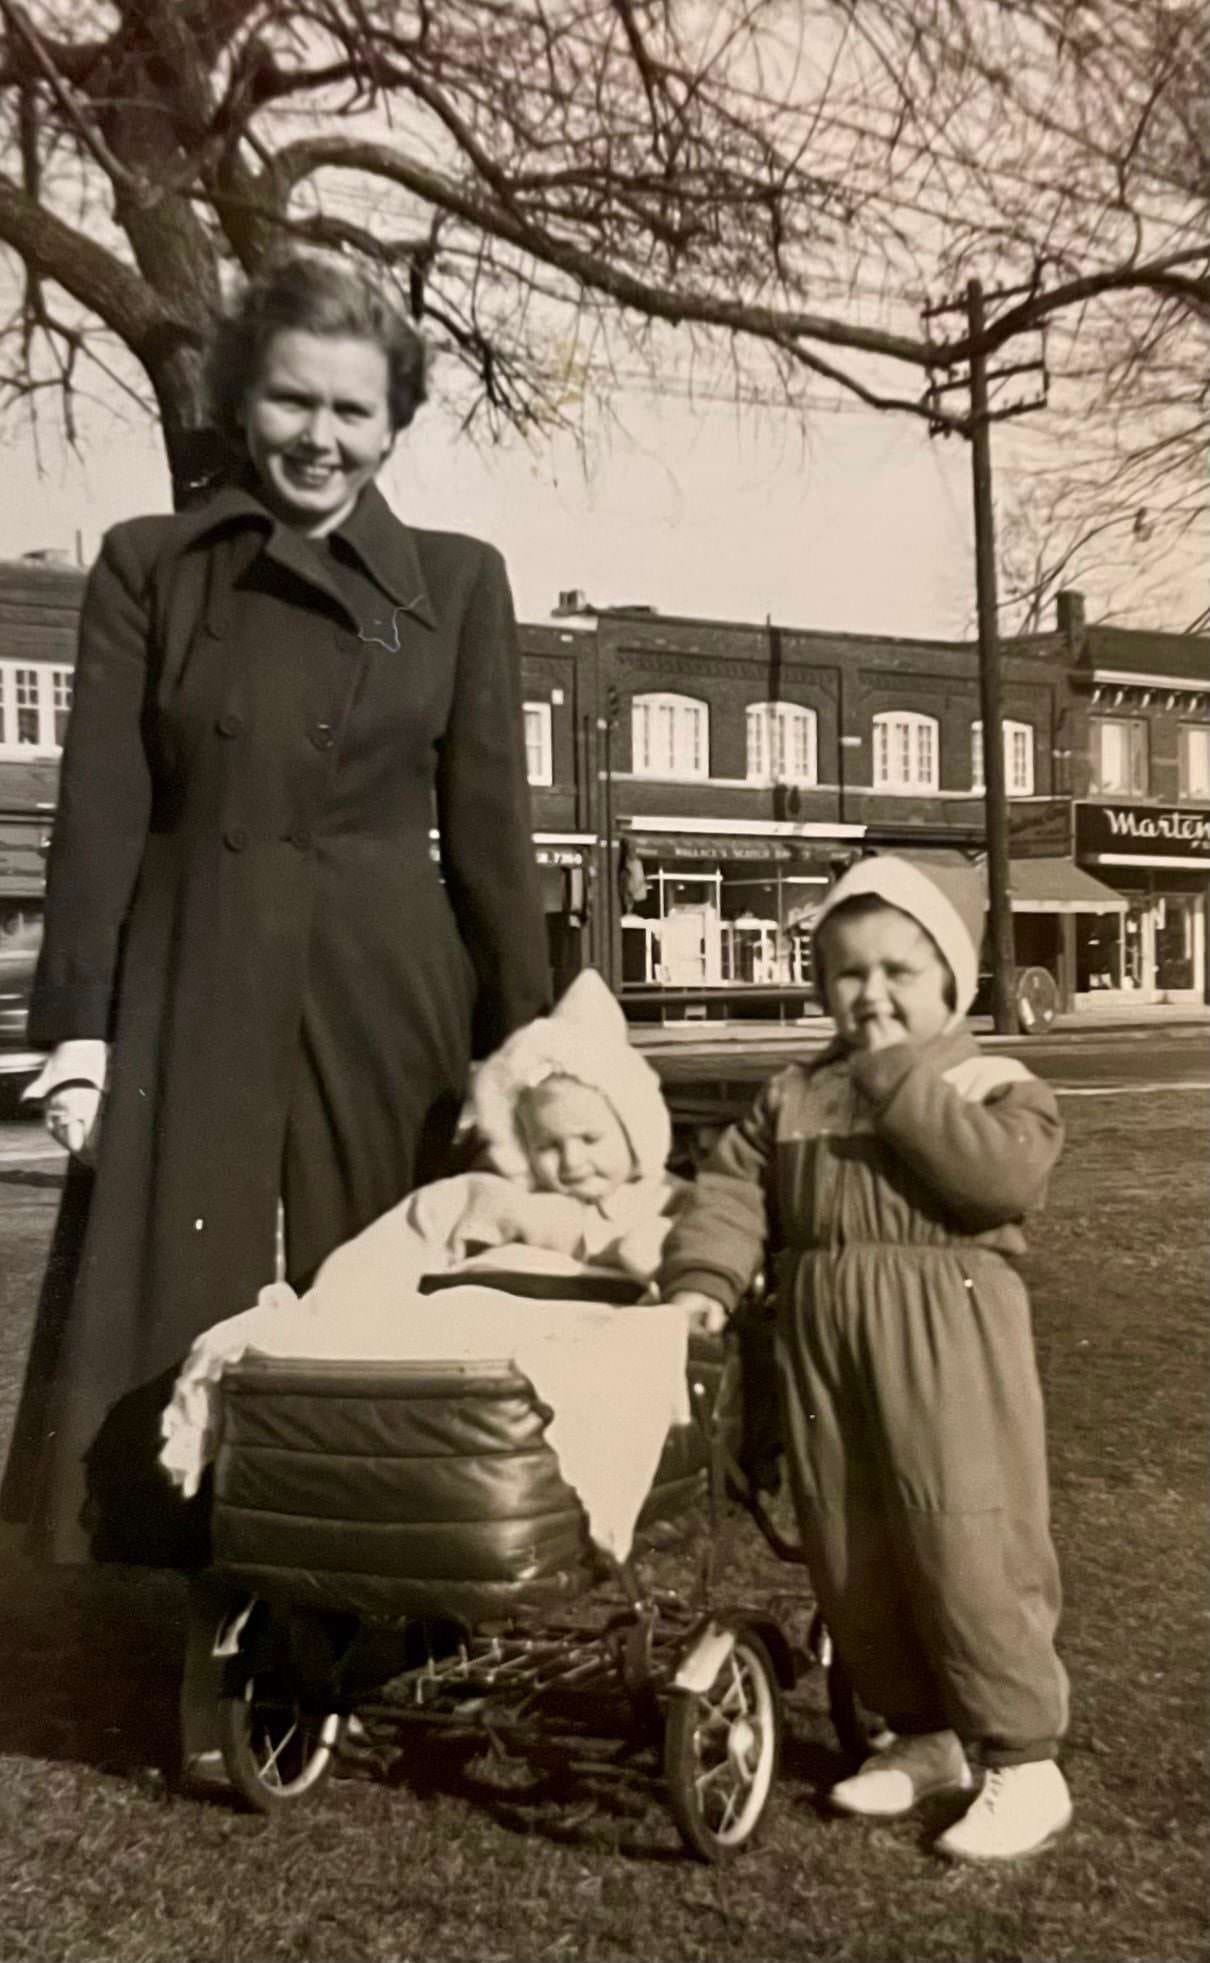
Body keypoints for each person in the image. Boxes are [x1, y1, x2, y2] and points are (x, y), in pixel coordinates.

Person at [1, 251, 550, 1584]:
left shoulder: (456, 582)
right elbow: (102, 814)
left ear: (395, 422)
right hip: (197, 967)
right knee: (176, 1278)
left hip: (383, 978)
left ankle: (384, 1567)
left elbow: (490, 837)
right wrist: (77, 1025)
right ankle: (184, 1585)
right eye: (293, 402)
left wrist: (526, 1041)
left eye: (353, 411)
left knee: (384, 1268)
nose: (320, 437)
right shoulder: (149, 569)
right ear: (245, 402)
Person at [659, 854, 1072, 1864]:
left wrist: (894, 1079)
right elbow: (730, 1190)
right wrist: (705, 1279)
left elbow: (992, 1182)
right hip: (821, 1337)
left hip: (950, 1336)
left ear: (951, 984)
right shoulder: (793, 1094)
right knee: (852, 1547)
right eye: (847, 971)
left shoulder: (991, 1083)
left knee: (968, 1540)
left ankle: (1024, 1757)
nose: (870, 993)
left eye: (897, 970)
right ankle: (925, 1730)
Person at [159, 966, 688, 1501]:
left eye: (590, 1138)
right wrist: (335, 1308)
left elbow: (703, 1261)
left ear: (634, 1129)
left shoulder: (662, 1202)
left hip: (574, 1337)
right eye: (548, 1145)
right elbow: (383, 1253)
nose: (571, 1161)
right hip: (462, 1338)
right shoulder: (483, 1197)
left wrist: (657, 1252)